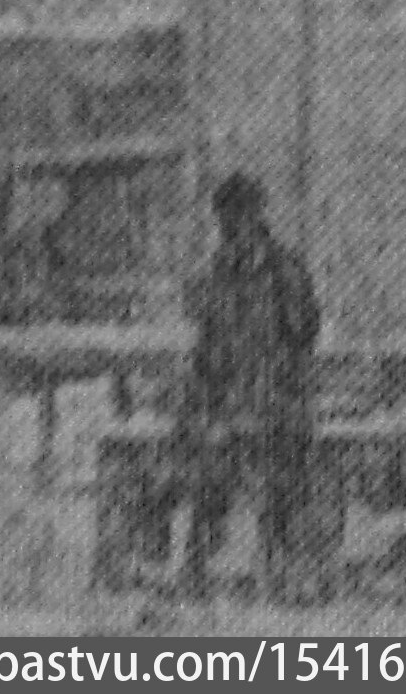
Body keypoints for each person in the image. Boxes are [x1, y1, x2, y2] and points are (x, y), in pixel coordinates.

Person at [173, 172, 320, 601]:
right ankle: (196, 570)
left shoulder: (285, 268)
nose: (232, 228)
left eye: (240, 218)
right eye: (226, 220)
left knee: (281, 482)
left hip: (275, 401)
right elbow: (205, 343)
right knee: (207, 475)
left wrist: (281, 380)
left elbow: (304, 332)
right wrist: (200, 404)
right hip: (228, 402)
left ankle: (284, 572)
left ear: (256, 216)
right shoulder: (216, 273)